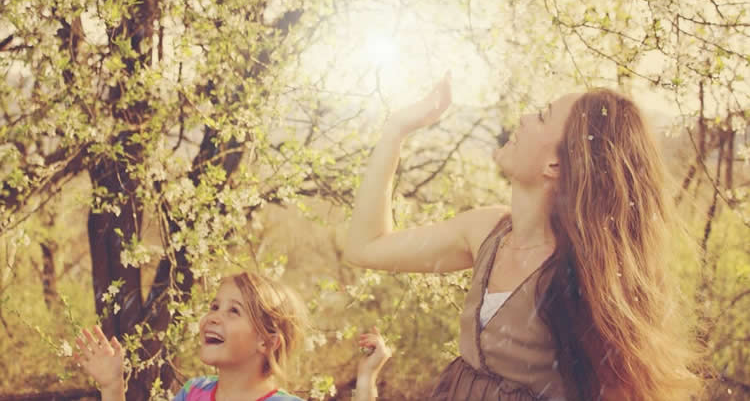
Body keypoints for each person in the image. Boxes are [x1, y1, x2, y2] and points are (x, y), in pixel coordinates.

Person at [344, 74, 703, 400]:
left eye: (543, 116)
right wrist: (396, 130)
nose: (524, 118)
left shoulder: (586, 280)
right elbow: (365, 246)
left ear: (556, 165)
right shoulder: (486, 231)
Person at [73, 272, 391, 401]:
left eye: (233, 311)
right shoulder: (193, 392)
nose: (213, 316)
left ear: (267, 341)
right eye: (214, 306)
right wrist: (112, 387)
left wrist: (366, 381)